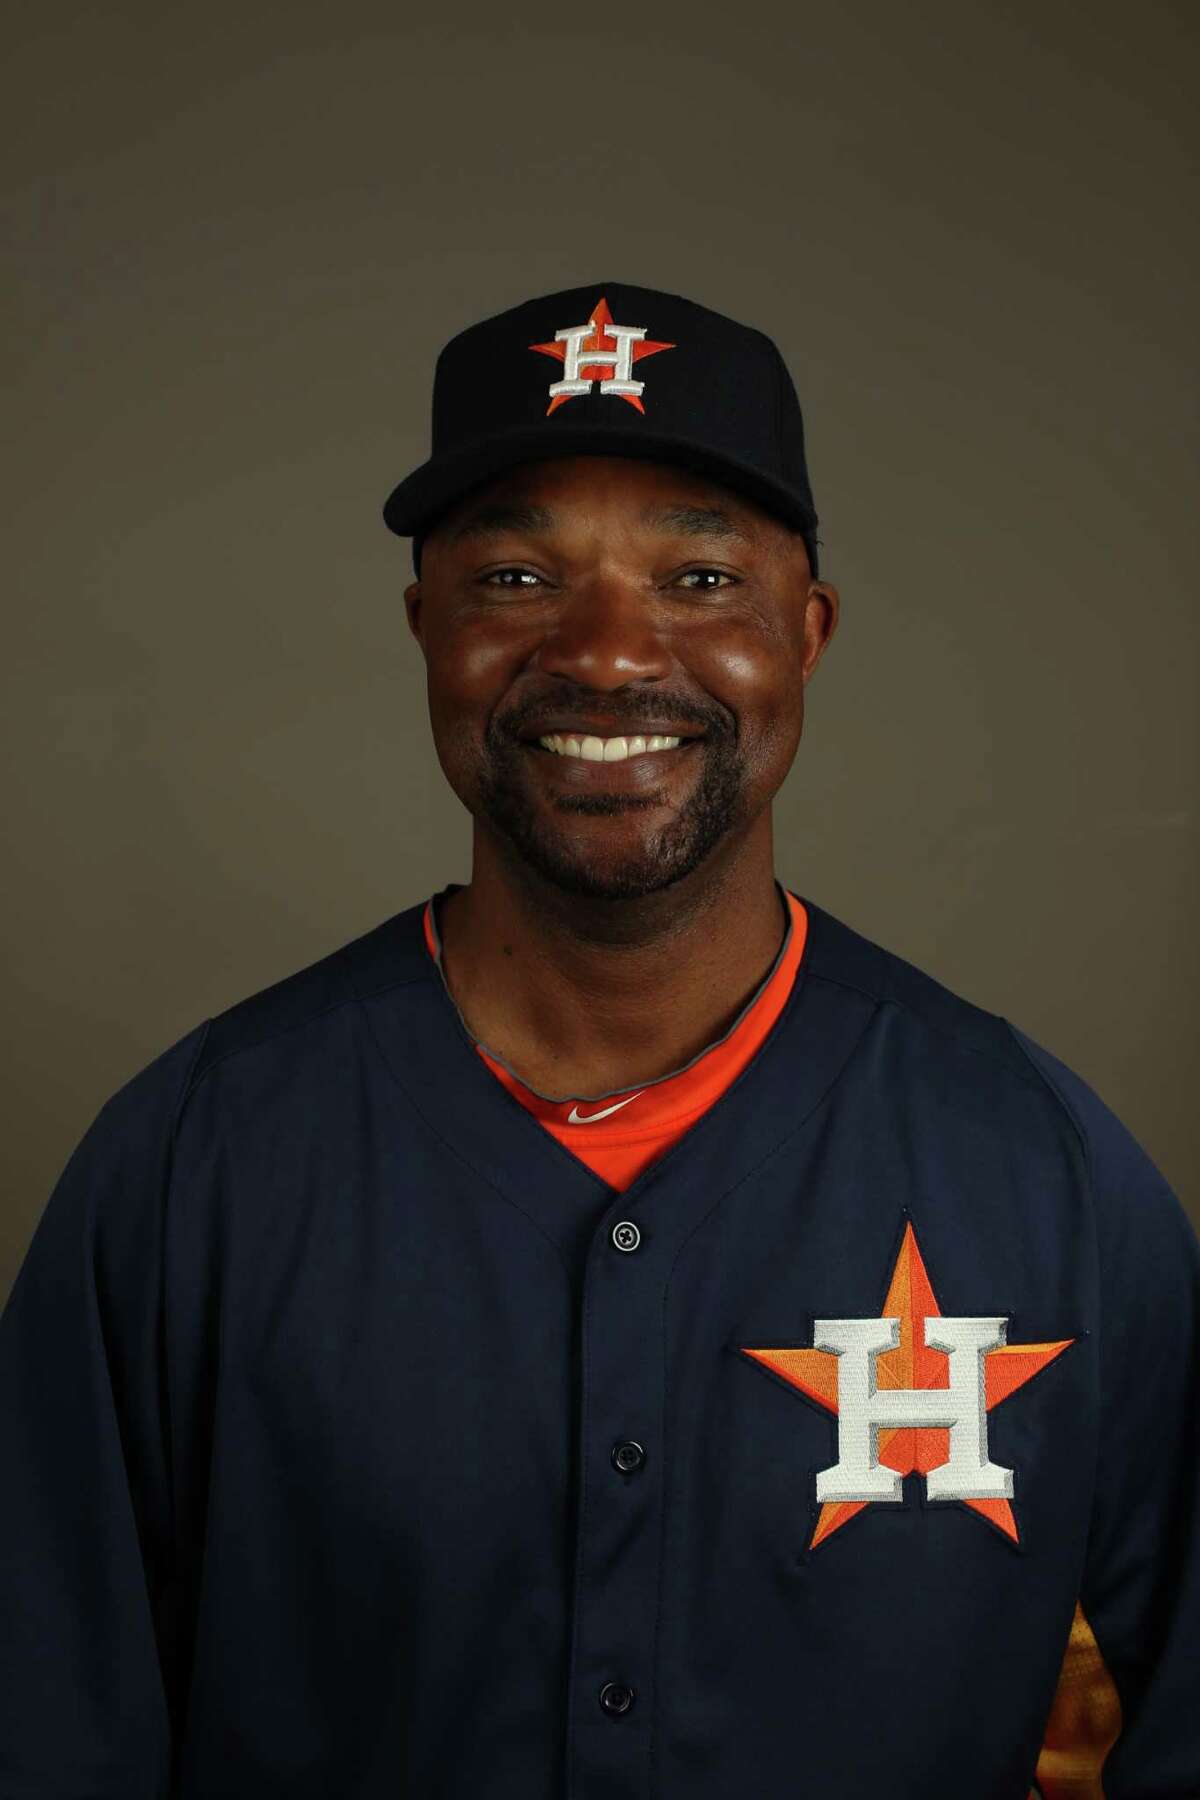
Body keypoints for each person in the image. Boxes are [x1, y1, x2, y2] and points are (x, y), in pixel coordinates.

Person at [1, 281, 1196, 1800]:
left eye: (700, 576)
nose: (612, 653)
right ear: (427, 627)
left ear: (807, 634)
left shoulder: (1035, 1166)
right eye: (515, 575)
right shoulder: (196, 1164)